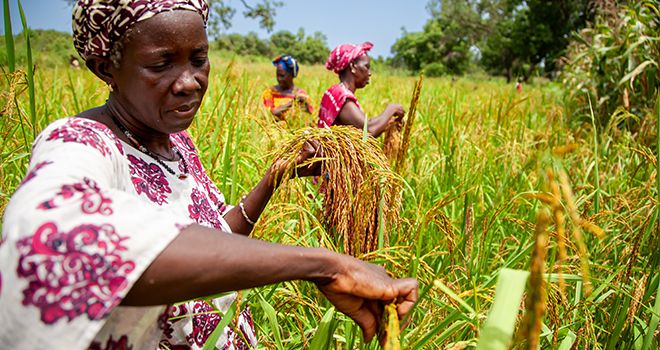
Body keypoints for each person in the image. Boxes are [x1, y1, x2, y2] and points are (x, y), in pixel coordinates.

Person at [0, 1, 418, 349]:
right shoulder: (81, 143)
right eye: (161, 63)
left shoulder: (176, 143)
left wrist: (277, 175)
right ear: (104, 66)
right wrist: (322, 265)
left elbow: (217, 237)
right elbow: (50, 243)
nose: (189, 82)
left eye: (199, 60)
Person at [318, 42, 405, 137]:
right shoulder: (342, 96)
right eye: (366, 67)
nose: (369, 73)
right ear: (352, 66)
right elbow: (368, 131)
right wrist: (391, 109)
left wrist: (387, 122)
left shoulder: (335, 92)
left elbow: (366, 125)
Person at [261, 54, 314, 121]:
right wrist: (292, 103)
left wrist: (305, 104)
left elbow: (310, 116)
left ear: (292, 75)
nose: (279, 79)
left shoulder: (301, 94)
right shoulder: (270, 92)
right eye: (277, 75)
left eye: (282, 76)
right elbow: (270, 114)